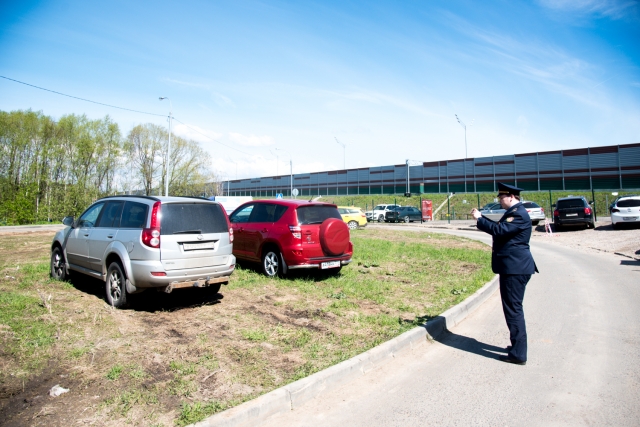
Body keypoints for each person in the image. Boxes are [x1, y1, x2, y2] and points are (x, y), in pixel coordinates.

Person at [471, 183, 538, 365]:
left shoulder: (518, 214)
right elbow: (501, 229)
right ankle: (517, 346)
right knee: (513, 309)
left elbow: (500, 231)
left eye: (501, 197)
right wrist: (482, 219)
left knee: (513, 311)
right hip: (513, 267)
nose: (499, 200)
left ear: (511, 197)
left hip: (514, 269)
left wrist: (479, 219)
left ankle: (518, 354)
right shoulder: (514, 213)